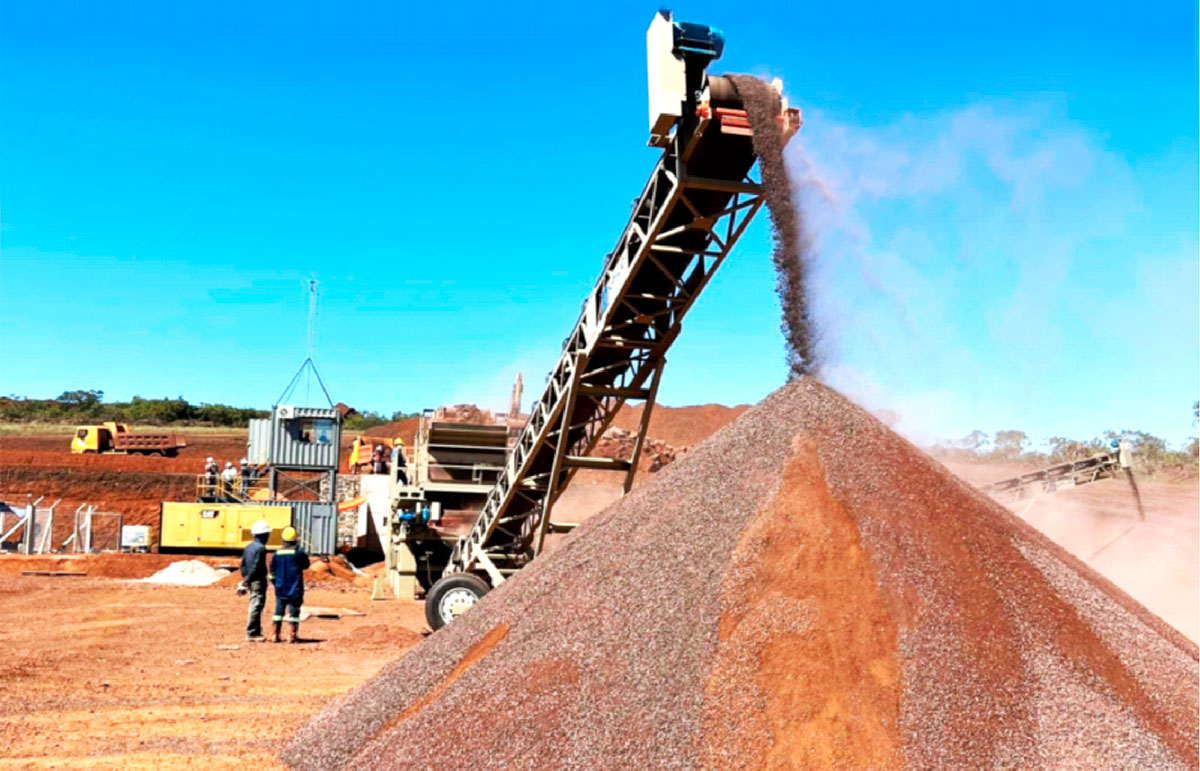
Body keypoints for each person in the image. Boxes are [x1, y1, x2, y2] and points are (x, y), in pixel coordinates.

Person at [269, 526, 310, 643]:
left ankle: (274, 635)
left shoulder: (277, 554)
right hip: (294, 588)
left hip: (280, 588)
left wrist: (275, 582)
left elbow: (272, 571)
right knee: (294, 612)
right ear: (295, 540)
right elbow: (306, 565)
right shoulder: (298, 553)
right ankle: (292, 635)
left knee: (278, 612)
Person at [237, 520, 272, 642]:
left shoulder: (249, 547)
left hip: (251, 579)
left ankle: (255, 631)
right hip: (257, 580)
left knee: (254, 604)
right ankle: (252, 632)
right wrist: (248, 579)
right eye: (267, 534)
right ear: (263, 535)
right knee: (256, 605)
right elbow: (256, 565)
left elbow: (244, 564)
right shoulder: (261, 548)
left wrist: (245, 578)